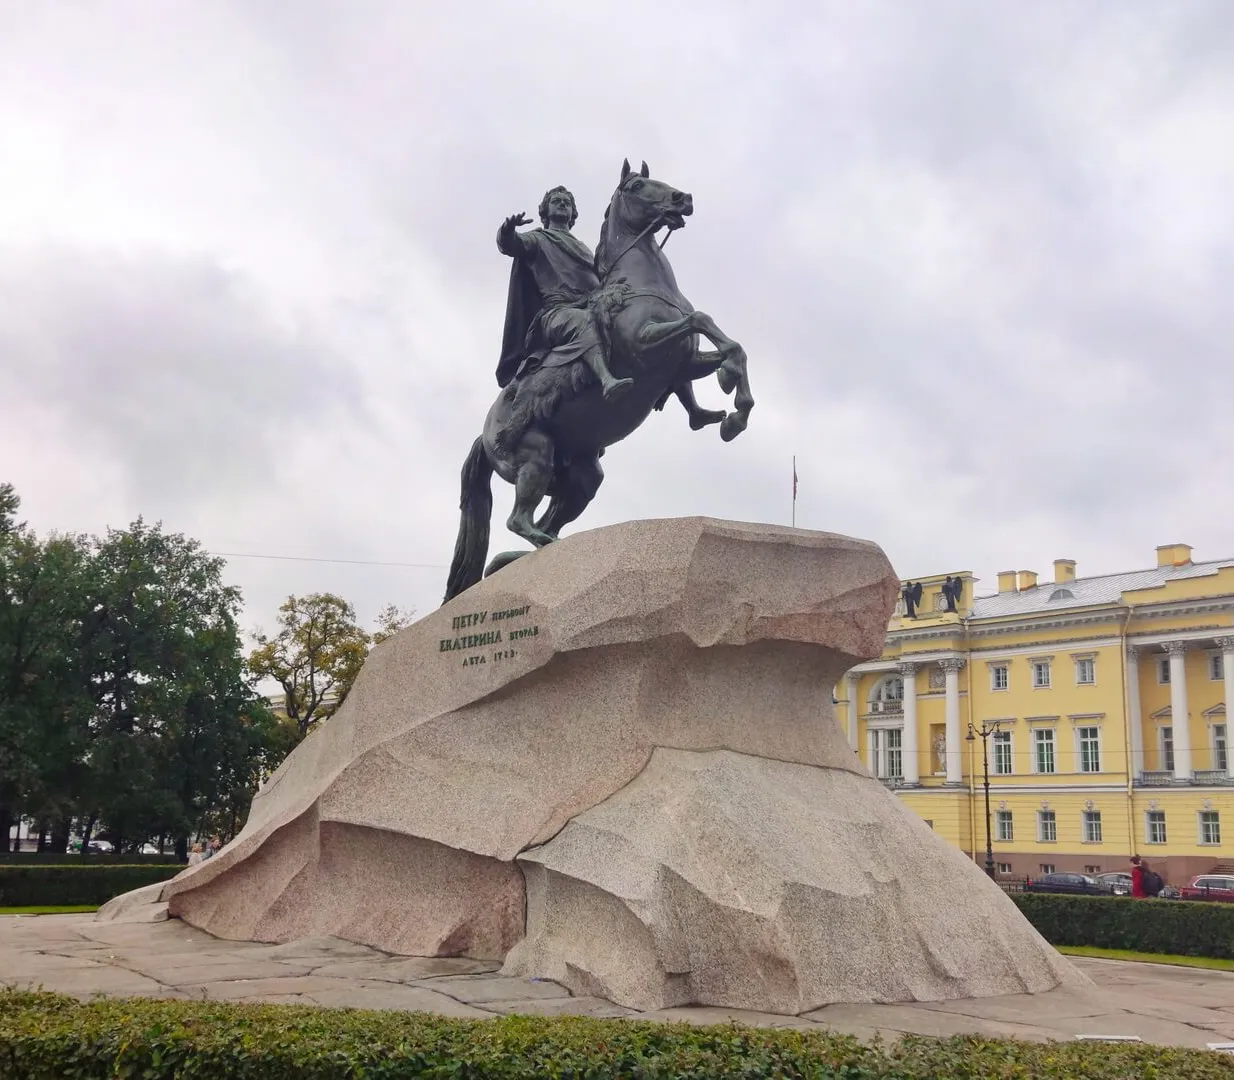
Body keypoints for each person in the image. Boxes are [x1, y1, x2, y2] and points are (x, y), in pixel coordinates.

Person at [496, 185, 633, 401]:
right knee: (584, 321)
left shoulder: (583, 248)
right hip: (557, 312)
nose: (562, 204)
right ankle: (606, 380)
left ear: (573, 214)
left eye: (567, 203)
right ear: (545, 211)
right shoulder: (538, 239)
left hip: (590, 303)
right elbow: (510, 244)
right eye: (556, 201)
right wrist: (506, 230)